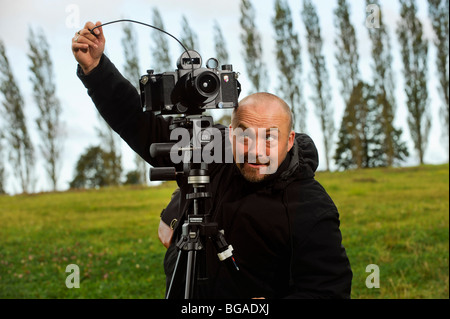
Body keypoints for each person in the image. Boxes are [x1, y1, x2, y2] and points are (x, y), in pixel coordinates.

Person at [72, 21, 353, 299]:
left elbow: (328, 289)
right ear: (230, 134)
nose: (255, 150)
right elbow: (140, 124)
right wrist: (95, 70)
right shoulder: (211, 149)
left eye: (269, 137)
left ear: (290, 140)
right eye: (245, 136)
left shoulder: (310, 206)